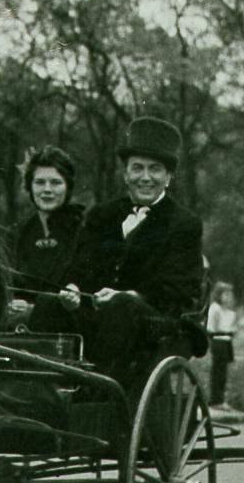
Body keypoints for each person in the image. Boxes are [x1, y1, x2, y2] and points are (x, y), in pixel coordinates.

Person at [52, 117, 206, 386]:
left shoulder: (184, 223)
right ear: (125, 174)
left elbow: (176, 286)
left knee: (121, 307)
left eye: (155, 169)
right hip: (101, 314)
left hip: (157, 321)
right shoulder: (102, 215)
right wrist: (73, 288)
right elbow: (81, 265)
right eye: (137, 168)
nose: (145, 177)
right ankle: (45, 393)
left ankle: (101, 395)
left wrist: (129, 295)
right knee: (48, 305)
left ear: (168, 177)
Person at [8, 146, 85, 320]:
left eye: (56, 182)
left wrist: (35, 309)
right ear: (30, 186)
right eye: (40, 182)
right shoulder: (17, 233)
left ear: (68, 186)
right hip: (19, 327)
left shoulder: (84, 229)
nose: (47, 189)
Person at [206, 281, 238, 411]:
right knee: (218, 372)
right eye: (225, 294)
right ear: (218, 295)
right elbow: (210, 329)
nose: (228, 297)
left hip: (226, 343)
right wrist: (227, 332)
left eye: (230, 294)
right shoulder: (215, 309)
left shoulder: (230, 313)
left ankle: (220, 399)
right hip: (218, 342)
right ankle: (215, 400)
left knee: (223, 372)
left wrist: (231, 332)